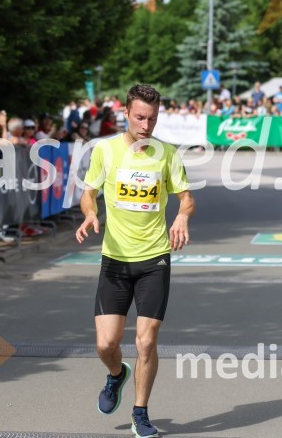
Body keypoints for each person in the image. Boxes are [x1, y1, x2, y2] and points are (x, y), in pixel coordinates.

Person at [76, 84, 195, 438]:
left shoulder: (167, 154)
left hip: (154, 257)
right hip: (115, 258)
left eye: (153, 119)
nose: (146, 125)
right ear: (126, 113)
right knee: (105, 344)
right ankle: (116, 375)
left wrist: (183, 215)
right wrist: (90, 214)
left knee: (146, 341)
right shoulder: (106, 150)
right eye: (140, 117)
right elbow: (88, 194)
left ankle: (140, 412)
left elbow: (186, 199)